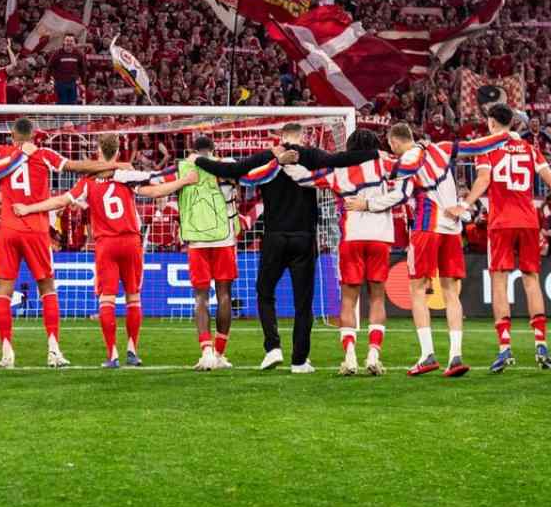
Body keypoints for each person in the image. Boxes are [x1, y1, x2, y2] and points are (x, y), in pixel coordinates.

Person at [0, 117, 128, 368]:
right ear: (33, 135)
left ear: (12, 135)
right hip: (36, 229)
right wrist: (114, 165)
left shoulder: (0, 152)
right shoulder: (45, 155)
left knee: (4, 292)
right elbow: (75, 166)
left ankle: (6, 353)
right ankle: (53, 350)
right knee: (47, 289)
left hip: (8, 229)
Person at [194, 123, 376, 373]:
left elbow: (232, 170)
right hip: (304, 236)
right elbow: (341, 159)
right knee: (304, 302)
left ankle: (273, 348)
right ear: (302, 137)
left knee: (264, 293)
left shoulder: (269, 156)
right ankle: (299, 360)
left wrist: (199, 161)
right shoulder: (310, 155)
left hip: (274, 236)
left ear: (281, 137)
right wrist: (376, 153)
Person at [14, 134, 196, 367]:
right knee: (133, 297)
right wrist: (184, 181)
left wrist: (29, 208)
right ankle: (132, 350)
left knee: (107, 299)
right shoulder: (126, 176)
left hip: (106, 244)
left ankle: (113, 355)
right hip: (131, 241)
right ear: (118, 153)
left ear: (98, 153)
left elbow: (60, 201)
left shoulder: (88, 182)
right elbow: (155, 191)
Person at [349, 123, 507, 376]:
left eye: (391, 146)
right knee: (451, 292)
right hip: (453, 229)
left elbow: (399, 194)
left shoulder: (409, 159)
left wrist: (366, 203)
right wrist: (504, 135)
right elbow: (476, 145)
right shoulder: (441, 148)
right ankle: (455, 357)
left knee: (418, 289)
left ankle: (427, 355)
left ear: (395, 142)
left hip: (427, 226)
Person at [457, 103, 551, 372]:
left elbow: (484, 181)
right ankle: (541, 345)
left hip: (501, 223)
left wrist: (465, 205)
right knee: (532, 280)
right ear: (513, 123)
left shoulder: (487, 148)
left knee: (499, 281)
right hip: (528, 221)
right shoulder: (530, 149)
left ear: (491, 123)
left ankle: (505, 348)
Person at [285, 129, 395, 376]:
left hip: (352, 236)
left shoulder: (339, 171)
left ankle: (350, 357)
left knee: (348, 299)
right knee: (377, 297)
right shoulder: (385, 162)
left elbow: (305, 179)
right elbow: (408, 169)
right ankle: (374, 354)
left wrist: (285, 164)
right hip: (381, 237)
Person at [179, 137, 242, 371]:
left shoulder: (186, 167)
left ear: (193, 151)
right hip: (224, 237)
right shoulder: (227, 164)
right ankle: (219, 353)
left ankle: (206, 352)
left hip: (197, 239)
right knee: (224, 293)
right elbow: (239, 184)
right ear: (214, 150)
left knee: (201, 296)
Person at [46, 35, 85, 105]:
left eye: (71, 41)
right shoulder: (57, 53)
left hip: (73, 83)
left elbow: (82, 69)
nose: (69, 43)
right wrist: (47, 82)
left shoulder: (79, 54)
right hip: (60, 83)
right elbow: (49, 67)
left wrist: (83, 82)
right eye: (67, 41)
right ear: (64, 42)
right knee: (62, 104)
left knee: (73, 104)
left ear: (74, 43)